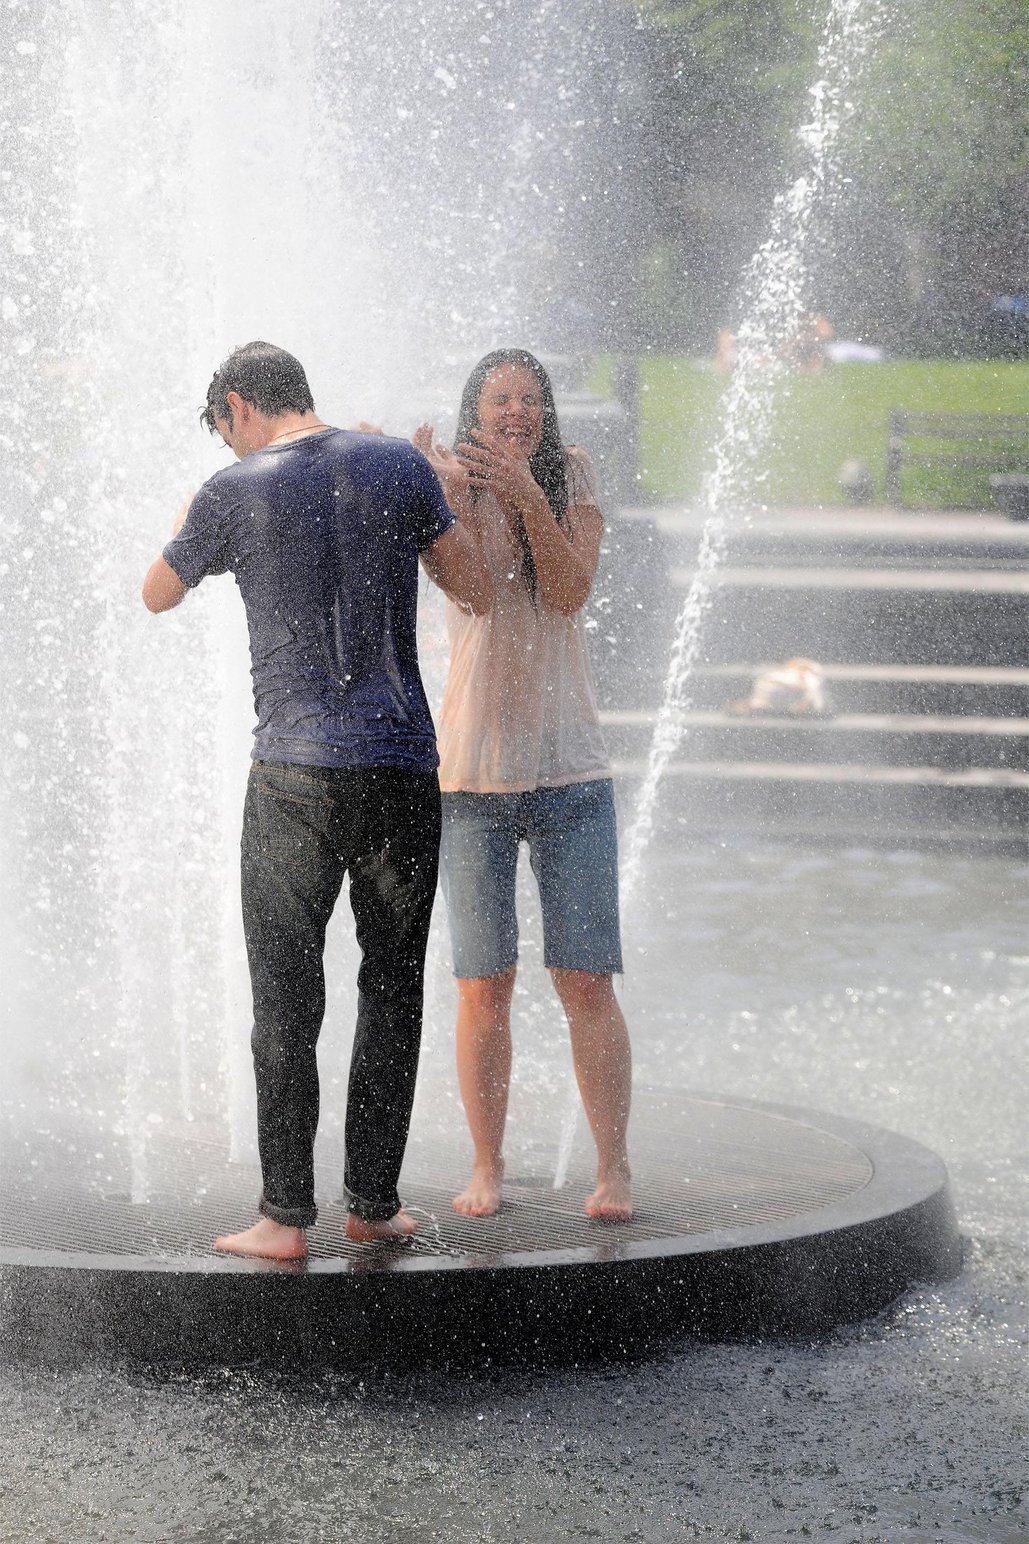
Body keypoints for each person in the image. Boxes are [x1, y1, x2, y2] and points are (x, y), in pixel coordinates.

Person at [142, 341, 489, 1261]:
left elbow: (156, 594)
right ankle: (372, 1205)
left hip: (293, 776)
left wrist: (189, 514)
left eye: (222, 428)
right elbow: (474, 588)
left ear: (236, 405)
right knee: (392, 988)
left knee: (286, 999)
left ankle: (283, 1219)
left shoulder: (232, 489)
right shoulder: (398, 466)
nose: (225, 445)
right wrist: (435, 498)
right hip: (401, 765)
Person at [413, 349, 633, 1222]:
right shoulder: (450, 483)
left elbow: (570, 591)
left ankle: (613, 1168)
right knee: (482, 983)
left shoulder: (571, 475)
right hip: (471, 774)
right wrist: (445, 499)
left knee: (586, 979)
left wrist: (529, 495)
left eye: (530, 399)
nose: (517, 412)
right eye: (500, 399)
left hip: (572, 770)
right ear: (475, 408)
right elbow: (467, 591)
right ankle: (486, 1164)